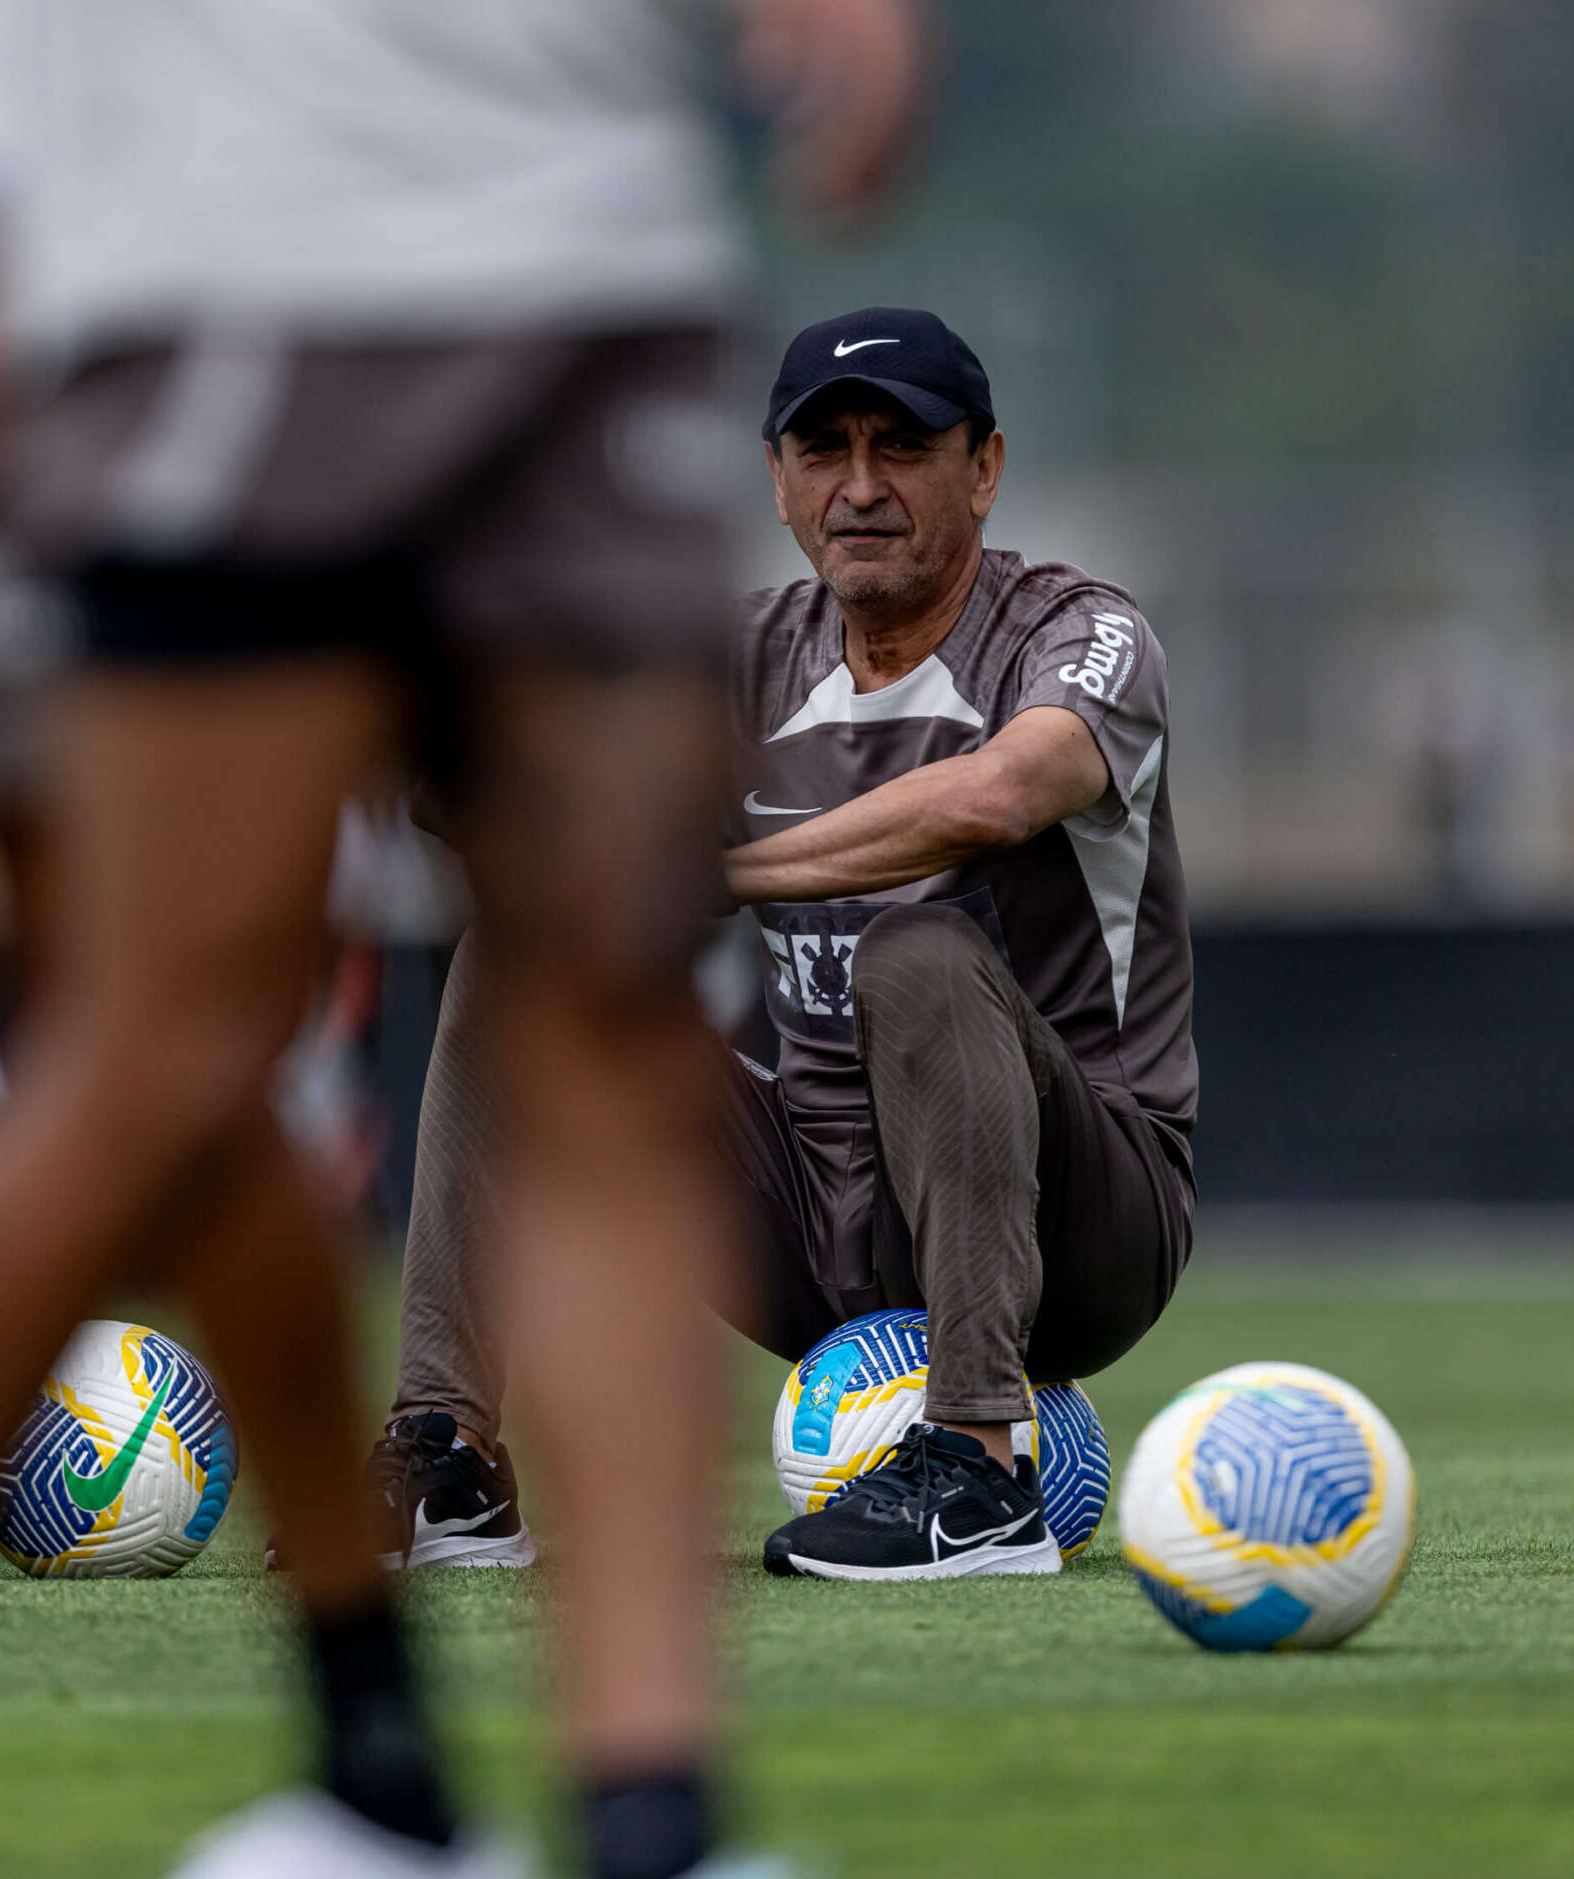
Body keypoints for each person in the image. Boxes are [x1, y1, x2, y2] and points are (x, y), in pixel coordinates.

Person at [0, 8, 934, 1879]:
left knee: (611, 1033)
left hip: (595, 249)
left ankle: (650, 1814)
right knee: (166, 1042)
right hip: (224, 263)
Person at [375, 306, 1196, 1583]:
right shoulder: (739, 657)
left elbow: (992, 797)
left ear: (982, 467)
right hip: (813, 1222)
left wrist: (721, 870)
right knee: (523, 945)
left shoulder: (1076, 630)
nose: (859, 487)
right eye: (823, 451)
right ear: (775, 479)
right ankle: (448, 1457)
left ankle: (981, 1468)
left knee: (913, 953)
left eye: (901, 449)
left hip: (1084, 1221)